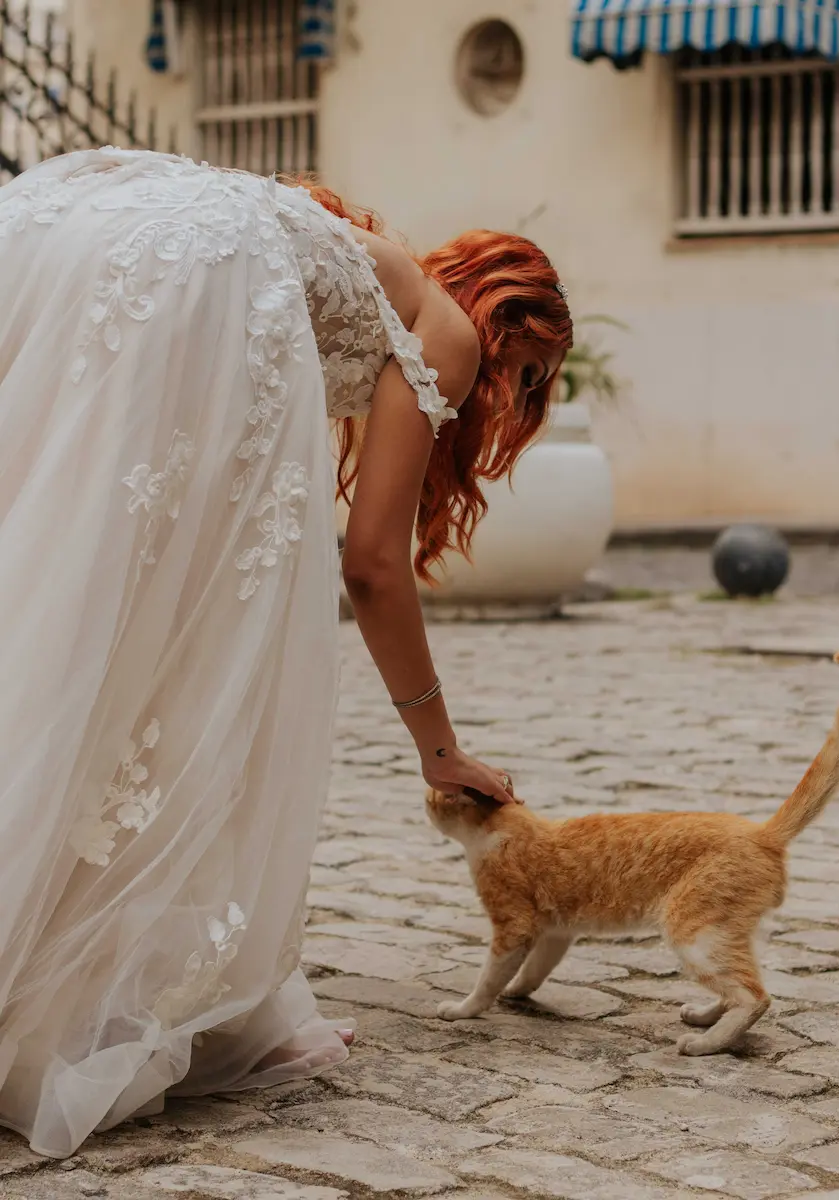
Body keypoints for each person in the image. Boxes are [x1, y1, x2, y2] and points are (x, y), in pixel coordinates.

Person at [0, 146, 573, 1158]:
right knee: (194, 660)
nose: (509, 408)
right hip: (200, 262)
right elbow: (373, 568)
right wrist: (439, 751)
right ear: (503, 319)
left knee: (74, 596)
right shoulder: (442, 332)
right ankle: (112, 997)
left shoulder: (360, 267)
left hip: (73, 222)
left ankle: (181, 990)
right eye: (527, 381)